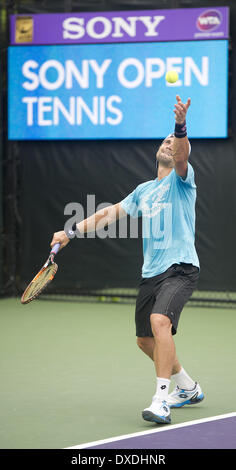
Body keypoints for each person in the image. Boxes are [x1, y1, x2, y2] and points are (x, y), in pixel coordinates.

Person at [51, 94, 204, 425]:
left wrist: (180, 126)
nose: (168, 145)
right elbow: (108, 214)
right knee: (145, 340)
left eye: (172, 141)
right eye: (163, 141)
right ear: (156, 151)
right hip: (151, 273)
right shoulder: (143, 190)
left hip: (180, 267)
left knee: (160, 322)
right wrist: (70, 232)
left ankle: (161, 400)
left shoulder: (182, 178)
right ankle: (187, 387)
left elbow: (182, 154)